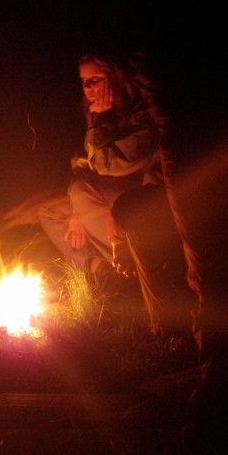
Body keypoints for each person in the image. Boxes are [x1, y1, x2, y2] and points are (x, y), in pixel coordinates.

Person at [38, 52, 194, 340]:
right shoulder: (100, 112)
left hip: (146, 196)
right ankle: (102, 270)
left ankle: (121, 271)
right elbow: (80, 162)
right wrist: (76, 210)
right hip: (115, 191)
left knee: (80, 191)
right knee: (50, 211)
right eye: (83, 81)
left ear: (117, 78)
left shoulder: (141, 114)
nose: (87, 87)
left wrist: (99, 119)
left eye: (95, 79)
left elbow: (106, 164)